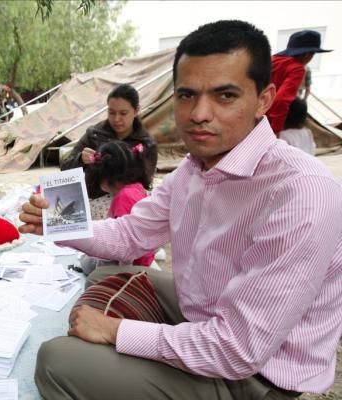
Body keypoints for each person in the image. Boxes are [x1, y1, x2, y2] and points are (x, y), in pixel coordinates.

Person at [20, 20, 342, 399]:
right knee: (104, 276)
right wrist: (57, 223)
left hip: (257, 377)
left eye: (225, 96)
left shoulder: (301, 193)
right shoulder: (195, 168)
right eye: (186, 95)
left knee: (56, 361)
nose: (198, 114)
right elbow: (129, 235)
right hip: (211, 315)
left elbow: (238, 350)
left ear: (264, 100)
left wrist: (114, 331)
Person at [61, 84, 158, 201]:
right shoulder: (94, 134)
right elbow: (65, 169)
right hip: (93, 201)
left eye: (123, 113)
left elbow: (145, 183)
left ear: (136, 110)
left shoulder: (146, 144)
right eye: (112, 113)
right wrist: (80, 159)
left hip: (128, 205)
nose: (116, 119)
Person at [80, 140, 155, 274]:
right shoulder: (137, 188)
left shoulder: (124, 197)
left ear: (106, 176)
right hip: (143, 257)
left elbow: (125, 244)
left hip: (132, 266)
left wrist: (120, 275)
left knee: (87, 262)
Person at [266, 30, 332, 135]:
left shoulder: (272, 60)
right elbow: (281, 100)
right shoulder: (297, 68)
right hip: (268, 121)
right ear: (307, 54)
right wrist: (275, 131)